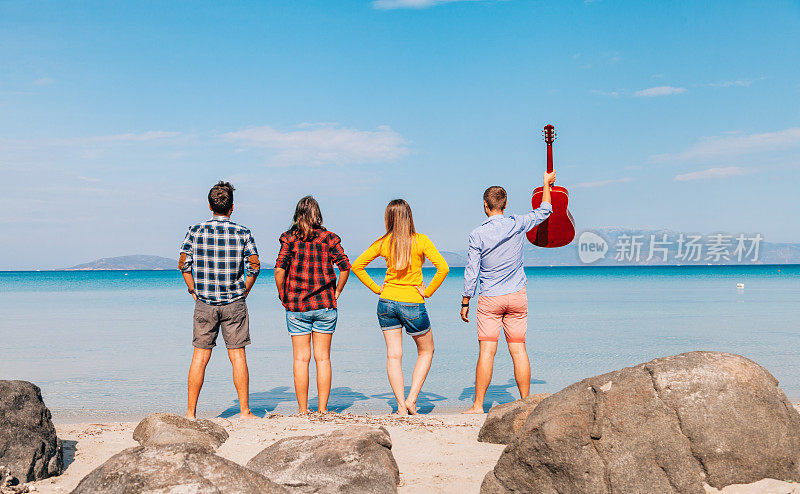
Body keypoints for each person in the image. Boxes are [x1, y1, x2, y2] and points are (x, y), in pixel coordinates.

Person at [460, 171, 556, 414]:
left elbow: (472, 270)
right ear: (505, 204)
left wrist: (465, 300)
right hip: (516, 296)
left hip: (490, 298)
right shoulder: (517, 223)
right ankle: (526, 402)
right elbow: (546, 210)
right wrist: (546, 184)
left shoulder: (477, 234)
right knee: (518, 349)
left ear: (485, 205)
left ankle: (478, 405)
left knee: (487, 352)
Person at [352, 199, 449, 415]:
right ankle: (412, 400)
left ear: (389, 218)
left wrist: (377, 289)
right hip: (413, 303)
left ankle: (400, 406)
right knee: (426, 351)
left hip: (386, 303)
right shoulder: (421, 241)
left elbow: (356, 266)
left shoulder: (383, 243)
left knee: (393, 355)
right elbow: (443, 267)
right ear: (409, 216)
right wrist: (428, 291)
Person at [178, 181, 260, 420]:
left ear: (209, 205)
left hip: (204, 302)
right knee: (238, 356)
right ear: (232, 207)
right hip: (234, 301)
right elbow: (254, 265)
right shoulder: (243, 232)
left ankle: (191, 413)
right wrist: (244, 289)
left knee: (200, 356)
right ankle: (245, 411)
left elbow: (184, 264)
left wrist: (193, 289)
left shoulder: (195, 230)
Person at [274, 196, 351, 415]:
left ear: (297, 215)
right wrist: (337, 292)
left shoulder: (289, 239)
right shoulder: (329, 238)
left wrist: (283, 293)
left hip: (296, 306)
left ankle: (302, 409)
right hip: (325, 304)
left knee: (300, 359)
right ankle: (323, 409)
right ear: (317, 214)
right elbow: (345, 266)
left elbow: (279, 269)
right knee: (323, 358)